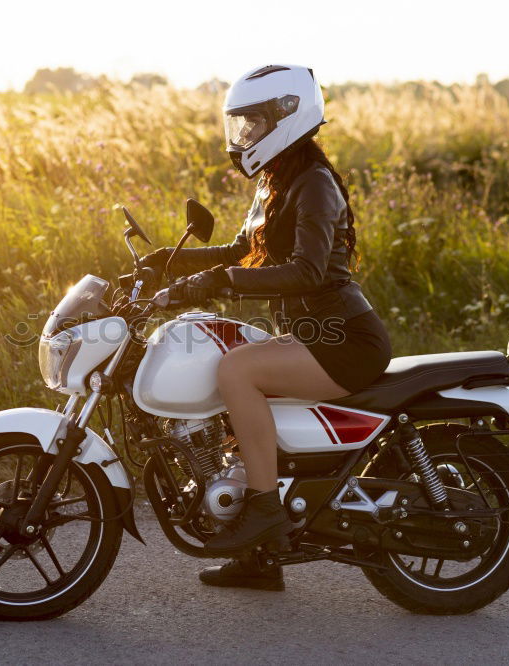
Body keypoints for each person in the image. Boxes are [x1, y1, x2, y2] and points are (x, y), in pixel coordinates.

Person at [141, 64, 392, 591]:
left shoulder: (315, 185)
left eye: (253, 123)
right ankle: (261, 557)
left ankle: (263, 513)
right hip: (311, 337)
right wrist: (170, 262)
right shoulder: (277, 182)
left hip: (343, 341)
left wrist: (215, 283)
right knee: (222, 371)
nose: (244, 136)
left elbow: (308, 270)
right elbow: (242, 252)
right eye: (240, 125)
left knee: (237, 373)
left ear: (286, 117)